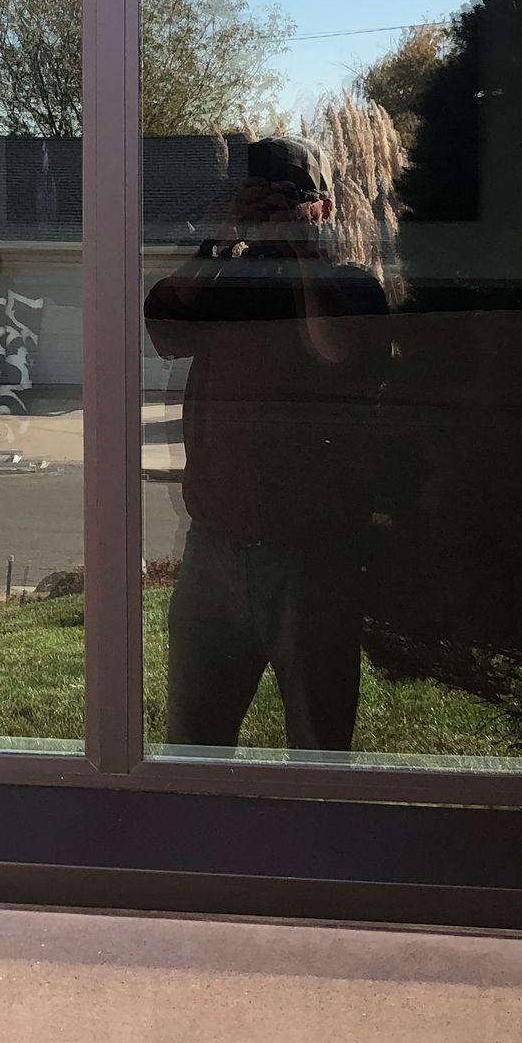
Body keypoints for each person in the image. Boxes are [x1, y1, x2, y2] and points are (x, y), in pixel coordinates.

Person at [144, 133, 390, 754]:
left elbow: (335, 349)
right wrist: (221, 237)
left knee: (318, 749)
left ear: (325, 208)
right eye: (260, 196)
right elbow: (163, 329)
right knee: (192, 747)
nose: (273, 210)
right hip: (213, 546)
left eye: (290, 196)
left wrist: (302, 254)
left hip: (314, 557)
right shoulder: (226, 281)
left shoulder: (354, 286)